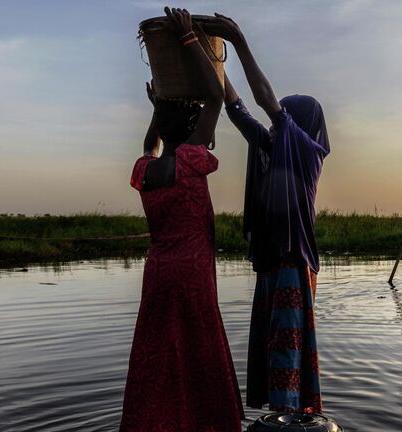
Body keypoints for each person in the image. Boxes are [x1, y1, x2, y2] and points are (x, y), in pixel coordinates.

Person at [122, 8, 242, 432]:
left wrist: (157, 106)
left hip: (158, 272)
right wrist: (191, 39)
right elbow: (214, 95)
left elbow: (149, 143)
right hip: (191, 271)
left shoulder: (145, 170)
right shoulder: (193, 160)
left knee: (159, 351)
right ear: (193, 129)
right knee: (198, 347)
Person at [209, 13, 327, 413]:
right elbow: (239, 110)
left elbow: (264, 103)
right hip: (272, 263)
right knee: (273, 344)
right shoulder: (272, 144)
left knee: (286, 350)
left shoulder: (307, 153)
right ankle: (283, 417)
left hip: (293, 263)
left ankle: (291, 418)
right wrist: (214, 60)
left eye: (286, 120)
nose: (277, 125)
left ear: (300, 126)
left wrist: (239, 41)